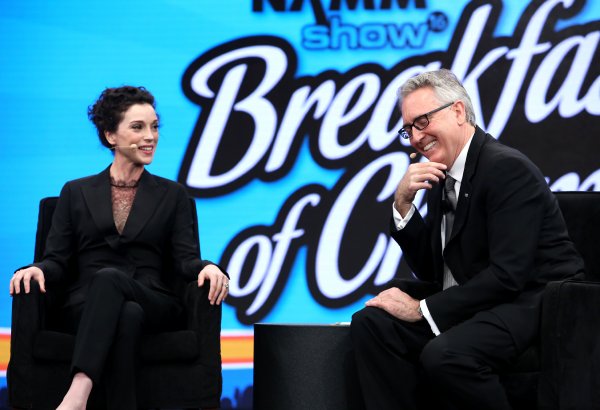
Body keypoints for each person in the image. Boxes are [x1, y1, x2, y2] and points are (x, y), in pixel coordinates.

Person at [350, 69, 584, 410]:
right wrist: (403, 207)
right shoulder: (440, 172)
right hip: (482, 298)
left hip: (532, 302)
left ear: (458, 112)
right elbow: (434, 268)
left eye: (423, 121)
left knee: (447, 355)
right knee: (372, 325)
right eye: (408, 128)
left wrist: (422, 309)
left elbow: (508, 275)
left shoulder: (505, 168)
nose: (416, 137)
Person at [9, 85, 228, 409]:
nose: (150, 136)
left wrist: (206, 266)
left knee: (114, 283)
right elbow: (56, 258)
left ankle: (78, 393)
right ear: (111, 135)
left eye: (154, 127)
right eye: (138, 127)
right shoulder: (76, 191)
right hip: (86, 304)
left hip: (153, 299)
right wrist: (36, 269)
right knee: (126, 314)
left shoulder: (173, 195)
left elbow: (185, 259)